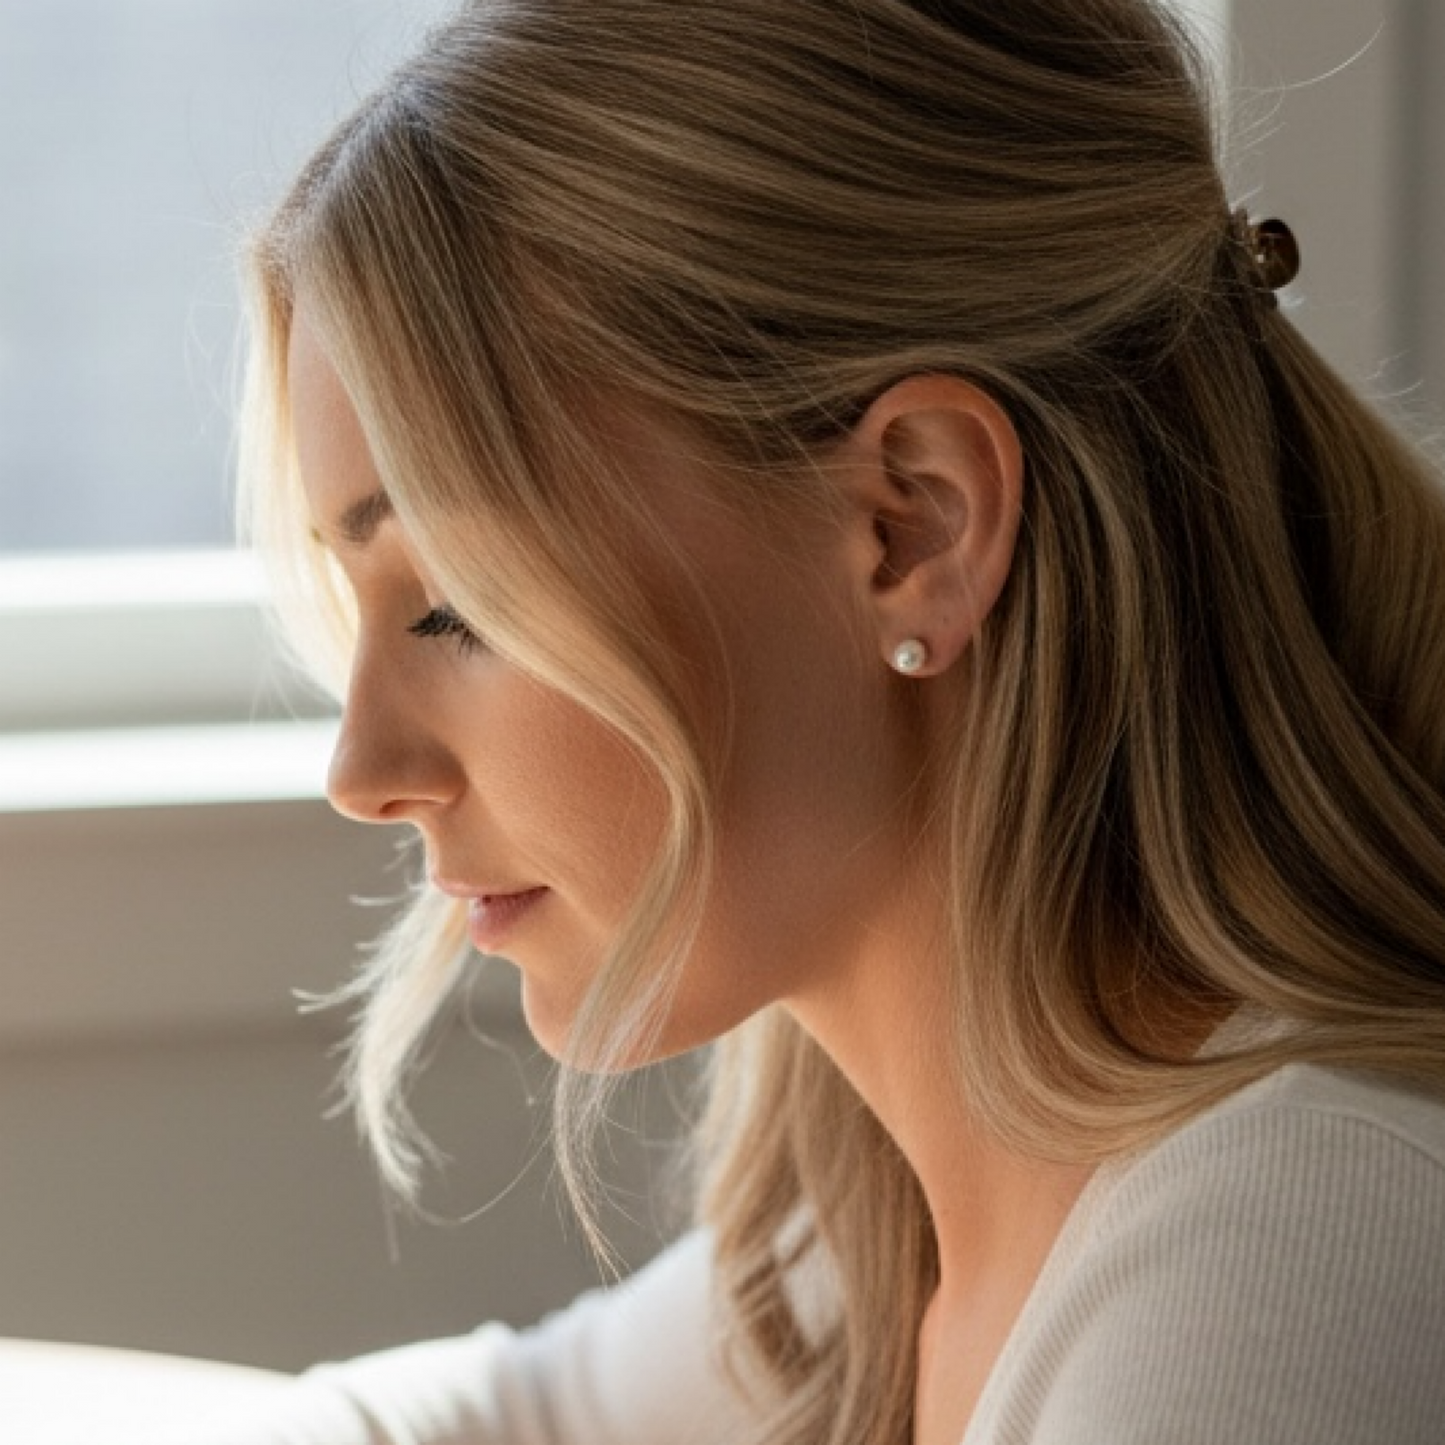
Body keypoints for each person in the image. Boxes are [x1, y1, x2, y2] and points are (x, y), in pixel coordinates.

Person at [218, 0, 1445, 1441]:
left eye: (457, 604)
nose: (365, 773)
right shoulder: (905, 1206)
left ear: (911, 524)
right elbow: (494, 1421)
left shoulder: (1294, 1273)